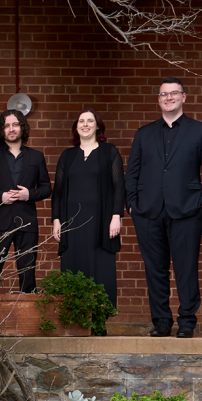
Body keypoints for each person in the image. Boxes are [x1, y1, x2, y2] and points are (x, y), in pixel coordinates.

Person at [126, 77, 202, 338]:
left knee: (186, 268)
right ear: (159, 100)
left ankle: (187, 321)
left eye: (173, 93)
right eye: (163, 94)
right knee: (155, 269)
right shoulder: (144, 133)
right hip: (147, 211)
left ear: (183, 97)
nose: (168, 98)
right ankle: (161, 321)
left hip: (187, 210)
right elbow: (132, 172)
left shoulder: (200, 131)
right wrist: (132, 204)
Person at [0, 109, 52, 306]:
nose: (11, 129)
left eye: (15, 124)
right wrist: (0, 196)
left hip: (27, 222)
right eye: (7, 125)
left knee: (27, 272)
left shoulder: (36, 157)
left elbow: (46, 188)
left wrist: (28, 195)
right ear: (2, 130)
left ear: (22, 127)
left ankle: (28, 320)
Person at [51, 108, 124, 311]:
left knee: (101, 267)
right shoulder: (67, 156)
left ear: (97, 125)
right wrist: (56, 220)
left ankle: (100, 316)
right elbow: (58, 191)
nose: (85, 124)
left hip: (101, 222)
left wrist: (116, 216)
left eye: (90, 121)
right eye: (81, 121)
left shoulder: (109, 151)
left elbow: (119, 186)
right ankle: (75, 317)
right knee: (74, 265)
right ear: (76, 127)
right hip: (72, 224)